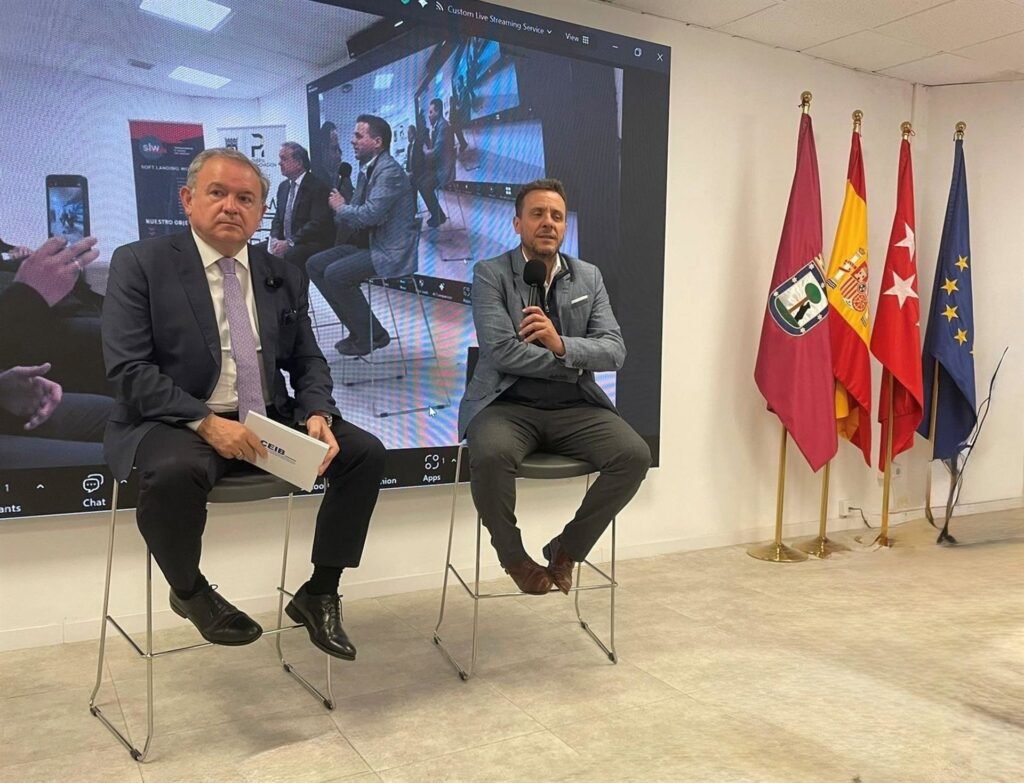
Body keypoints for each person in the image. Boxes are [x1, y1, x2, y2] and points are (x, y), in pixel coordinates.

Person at [101, 148, 386, 659]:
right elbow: (129, 370)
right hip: (177, 419)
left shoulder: (282, 273)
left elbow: (307, 358)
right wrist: (206, 423)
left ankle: (320, 592)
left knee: (363, 453)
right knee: (173, 473)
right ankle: (189, 591)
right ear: (188, 200)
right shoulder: (140, 264)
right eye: (218, 193)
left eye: (246, 198)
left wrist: (317, 412)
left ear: (260, 212)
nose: (231, 206)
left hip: (266, 417)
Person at [459, 178, 651, 595]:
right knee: (490, 455)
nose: (548, 222)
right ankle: (513, 557)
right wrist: (570, 363)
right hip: (506, 404)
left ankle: (567, 549)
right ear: (517, 223)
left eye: (557, 216)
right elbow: (502, 353)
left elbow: (614, 351)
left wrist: (560, 343)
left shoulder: (588, 277)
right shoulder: (491, 274)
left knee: (634, 455)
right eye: (537, 214)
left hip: (574, 407)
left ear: (565, 226)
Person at [306, 115, 417, 357]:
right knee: (314, 265)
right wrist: (341, 211)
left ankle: (371, 335)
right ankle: (361, 330)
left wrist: (341, 208)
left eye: (359, 136)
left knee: (335, 274)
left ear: (377, 142)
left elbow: (369, 215)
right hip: (368, 243)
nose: (352, 141)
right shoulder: (365, 171)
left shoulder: (389, 172)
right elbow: (353, 215)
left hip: (389, 250)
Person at [268, 142, 334, 271]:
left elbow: (316, 224)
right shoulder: (283, 187)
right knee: (256, 253)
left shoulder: (317, 187)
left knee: (291, 255)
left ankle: (296, 285)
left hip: (308, 242)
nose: (279, 163)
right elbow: (278, 218)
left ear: (298, 163)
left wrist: (290, 242)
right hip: (286, 241)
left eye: (284, 159)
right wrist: (274, 238)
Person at [419, 98, 456, 229]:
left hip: (444, 169)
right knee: (420, 181)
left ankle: (439, 216)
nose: (429, 115)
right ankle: (438, 214)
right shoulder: (438, 127)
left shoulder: (443, 127)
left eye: (431, 112)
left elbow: (435, 153)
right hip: (439, 167)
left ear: (438, 111)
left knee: (425, 186)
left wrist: (425, 151)